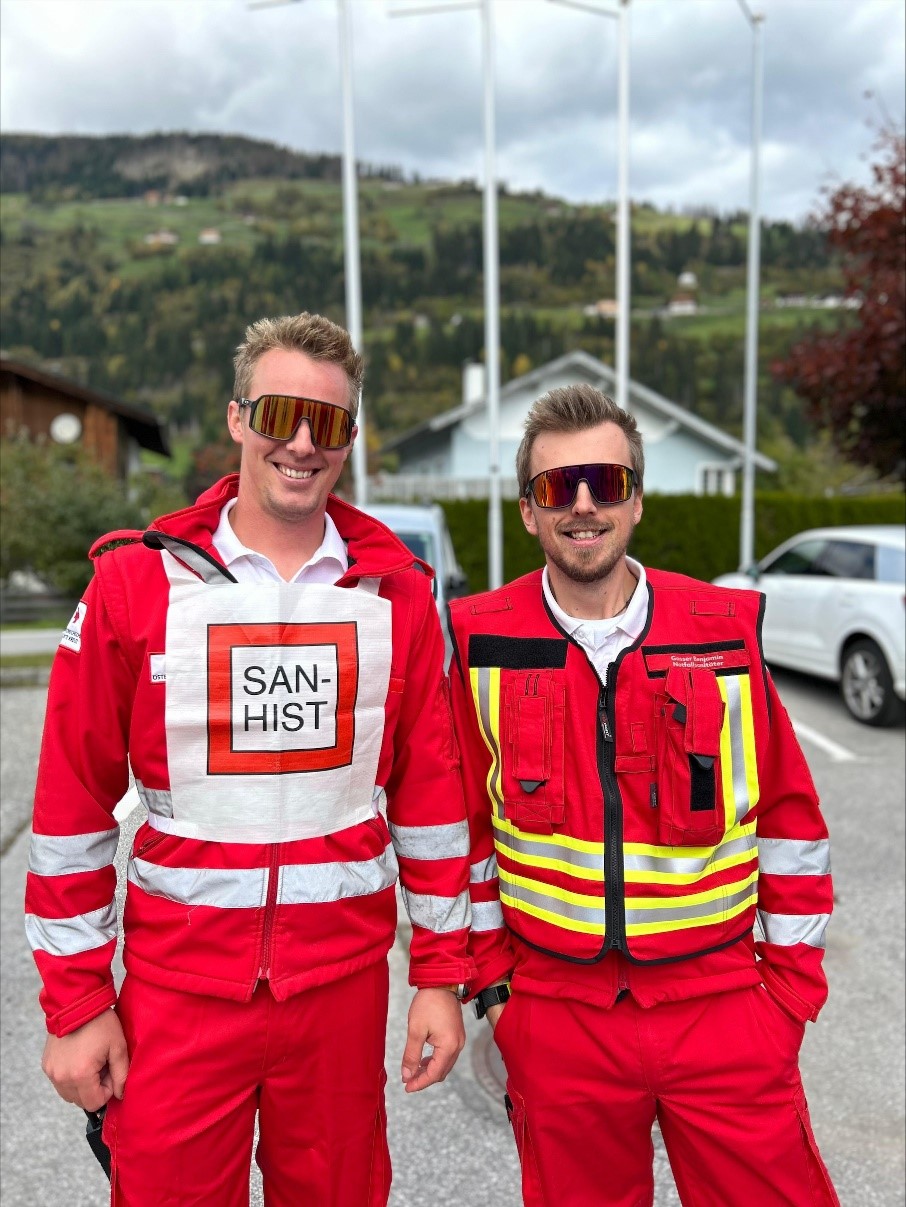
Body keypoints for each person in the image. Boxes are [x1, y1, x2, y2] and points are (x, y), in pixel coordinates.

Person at [25, 311, 475, 1206]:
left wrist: (439, 974)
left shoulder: (399, 595)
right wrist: (77, 1003)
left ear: (351, 437)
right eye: (277, 415)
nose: (302, 443)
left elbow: (433, 798)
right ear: (237, 419)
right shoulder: (136, 581)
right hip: (178, 993)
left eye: (329, 422)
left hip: (342, 994)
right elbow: (71, 808)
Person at [448, 384, 839, 1207]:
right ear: (528, 511)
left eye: (607, 482)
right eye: (558, 486)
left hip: (724, 1006)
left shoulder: (722, 629)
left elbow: (791, 821)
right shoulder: (481, 638)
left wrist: (789, 992)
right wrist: (495, 991)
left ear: (636, 501)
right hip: (556, 1013)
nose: (584, 504)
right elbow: (465, 835)